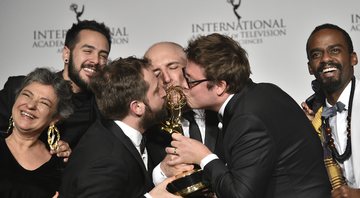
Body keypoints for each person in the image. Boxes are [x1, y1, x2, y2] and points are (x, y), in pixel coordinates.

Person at [165, 33, 331, 197]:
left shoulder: (247, 119)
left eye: (190, 80)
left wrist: (203, 157)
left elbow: (240, 195)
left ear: (220, 86)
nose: (184, 86)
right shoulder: (263, 91)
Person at [59, 57, 181, 198]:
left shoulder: (115, 134)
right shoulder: (105, 161)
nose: (164, 93)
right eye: (156, 91)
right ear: (137, 107)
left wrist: (161, 173)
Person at [0, 19, 112, 149]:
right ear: (66, 54)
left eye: (103, 56)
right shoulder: (19, 89)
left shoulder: (103, 109)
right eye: (88, 51)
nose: (96, 60)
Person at [144, 42, 222, 185]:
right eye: (156, 73)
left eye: (173, 67)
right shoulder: (149, 126)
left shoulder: (221, 108)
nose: (166, 79)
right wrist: (161, 172)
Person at [302, 23, 360, 198]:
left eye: (334, 50)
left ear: (353, 58)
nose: (326, 59)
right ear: (310, 67)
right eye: (316, 54)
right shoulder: (317, 119)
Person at [0, 67, 73, 198]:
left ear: (54, 119)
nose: (31, 105)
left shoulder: (60, 166)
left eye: (44, 103)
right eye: (27, 95)